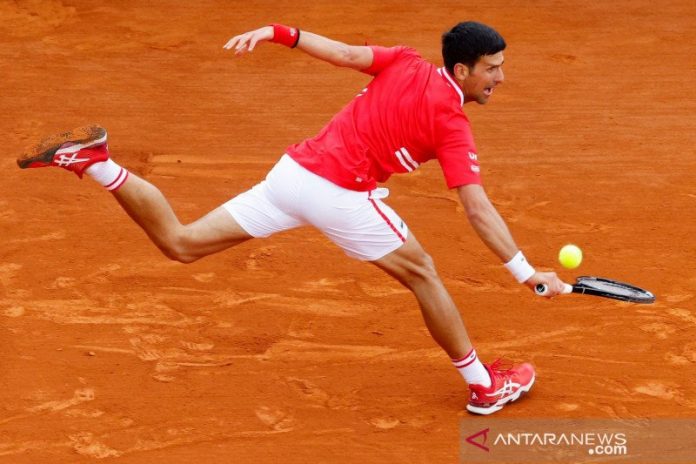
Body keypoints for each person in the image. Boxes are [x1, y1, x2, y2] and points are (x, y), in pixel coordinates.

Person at [17, 21, 567, 415]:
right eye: (492, 69)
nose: (500, 78)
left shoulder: (403, 60)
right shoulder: (452, 122)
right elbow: (476, 206)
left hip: (291, 175)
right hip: (341, 194)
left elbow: (345, 55)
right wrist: (525, 271)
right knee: (423, 273)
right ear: (463, 69)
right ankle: (483, 387)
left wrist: (282, 33)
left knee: (181, 243)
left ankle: (96, 163)